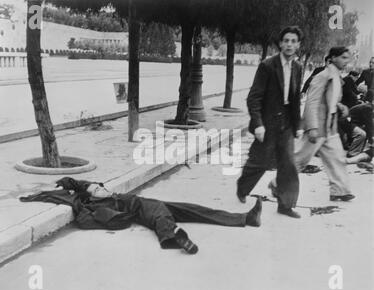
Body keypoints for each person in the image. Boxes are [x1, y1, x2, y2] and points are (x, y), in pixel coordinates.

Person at [20, 177, 263, 255]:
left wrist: (64, 181)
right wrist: (45, 194)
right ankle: (172, 235)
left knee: (193, 209)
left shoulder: (95, 192)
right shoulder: (90, 202)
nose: (101, 187)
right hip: (137, 207)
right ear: (91, 194)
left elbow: (76, 182)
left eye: (100, 185)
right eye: (96, 188)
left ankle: (244, 219)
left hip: (142, 205)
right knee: (159, 212)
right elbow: (79, 207)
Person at [269, 47, 355, 202]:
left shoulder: (336, 77)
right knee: (300, 159)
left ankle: (339, 191)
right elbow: (312, 101)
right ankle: (277, 184)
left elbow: (332, 100)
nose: (346, 61)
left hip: (330, 128)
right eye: (343, 57)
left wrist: (340, 106)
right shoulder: (322, 76)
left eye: (347, 58)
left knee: (337, 159)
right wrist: (312, 127)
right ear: (333, 58)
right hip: (318, 127)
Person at [236, 26, 304, 218]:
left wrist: (297, 126)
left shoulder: (298, 68)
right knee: (260, 162)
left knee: (288, 165)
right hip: (267, 124)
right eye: (286, 41)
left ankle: (285, 205)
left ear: (298, 45)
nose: (289, 44)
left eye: (293, 41)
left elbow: (296, 100)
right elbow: (254, 97)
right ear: (280, 43)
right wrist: (257, 123)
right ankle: (242, 187)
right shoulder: (267, 66)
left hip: (287, 125)